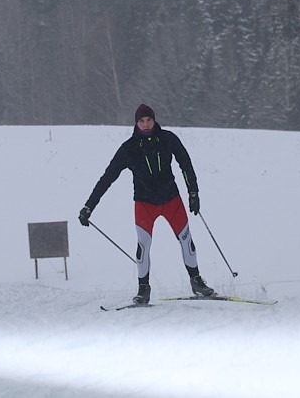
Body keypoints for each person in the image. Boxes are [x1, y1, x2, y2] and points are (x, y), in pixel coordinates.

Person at [78, 103, 215, 304]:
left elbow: (185, 164)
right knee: (143, 246)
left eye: (149, 119)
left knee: (187, 240)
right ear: (136, 123)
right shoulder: (129, 148)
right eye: (141, 121)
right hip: (144, 204)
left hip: (171, 200)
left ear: (154, 119)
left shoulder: (168, 139)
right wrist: (89, 206)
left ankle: (196, 281)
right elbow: (107, 178)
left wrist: (193, 192)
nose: (146, 124)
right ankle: (143, 289)